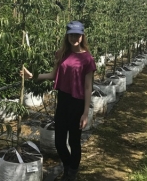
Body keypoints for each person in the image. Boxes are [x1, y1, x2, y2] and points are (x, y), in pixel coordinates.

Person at [20, 21, 96, 181]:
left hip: (77, 102)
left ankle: (71, 173)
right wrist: (33, 76)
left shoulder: (88, 59)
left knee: (74, 141)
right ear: (67, 35)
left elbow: (88, 86)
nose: (74, 37)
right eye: (71, 34)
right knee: (60, 142)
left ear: (82, 36)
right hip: (63, 100)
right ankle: (68, 166)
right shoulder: (61, 54)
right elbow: (53, 75)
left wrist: (85, 113)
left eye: (77, 34)